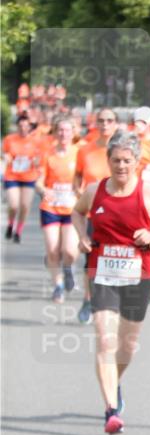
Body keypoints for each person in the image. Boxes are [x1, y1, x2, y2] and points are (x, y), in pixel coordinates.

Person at [71, 131, 150, 435]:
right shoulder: (95, 190)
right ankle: (110, 409)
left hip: (138, 274)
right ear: (108, 161)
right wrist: (82, 236)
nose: (121, 166)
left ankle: (114, 382)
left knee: (127, 345)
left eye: (127, 161)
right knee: (105, 338)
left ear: (137, 162)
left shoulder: (148, 193)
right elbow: (77, 213)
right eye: (116, 160)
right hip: (102, 271)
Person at [73, 109, 119, 324]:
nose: (105, 124)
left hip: (121, 214)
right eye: (101, 120)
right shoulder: (85, 150)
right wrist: (79, 193)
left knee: (117, 258)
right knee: (91, 260)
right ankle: (88, 299)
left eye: (109, 121)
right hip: (95, 213)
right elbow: (78, 176)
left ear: (116, 124)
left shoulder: (123, 150)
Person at [35, 117, 79, 301]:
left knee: (69, 251)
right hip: (51, 208)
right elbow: (38, 181)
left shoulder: (79, 153)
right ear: (55, 132)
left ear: (73, 133)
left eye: (67, 130)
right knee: (53, 249)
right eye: (60, 130)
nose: (63, 134)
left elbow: (86, 178)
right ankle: (58, 285)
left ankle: (68, 267)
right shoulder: (48, 154)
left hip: (72, 208)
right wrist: (43, 190)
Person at [2, 113, 43, 243]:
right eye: (20, 125)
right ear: (17, 126)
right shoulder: (10, 139)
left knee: (25, 206)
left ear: (29, 127)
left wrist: (37, 161)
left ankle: (18, 231)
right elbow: (4, 153)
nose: (23, 128)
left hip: (28, 177)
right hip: (12, 176)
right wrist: (5, 157)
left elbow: (39, 158)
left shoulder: (35, 141)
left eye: (26, 126)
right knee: (14, 205)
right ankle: (10, 224)